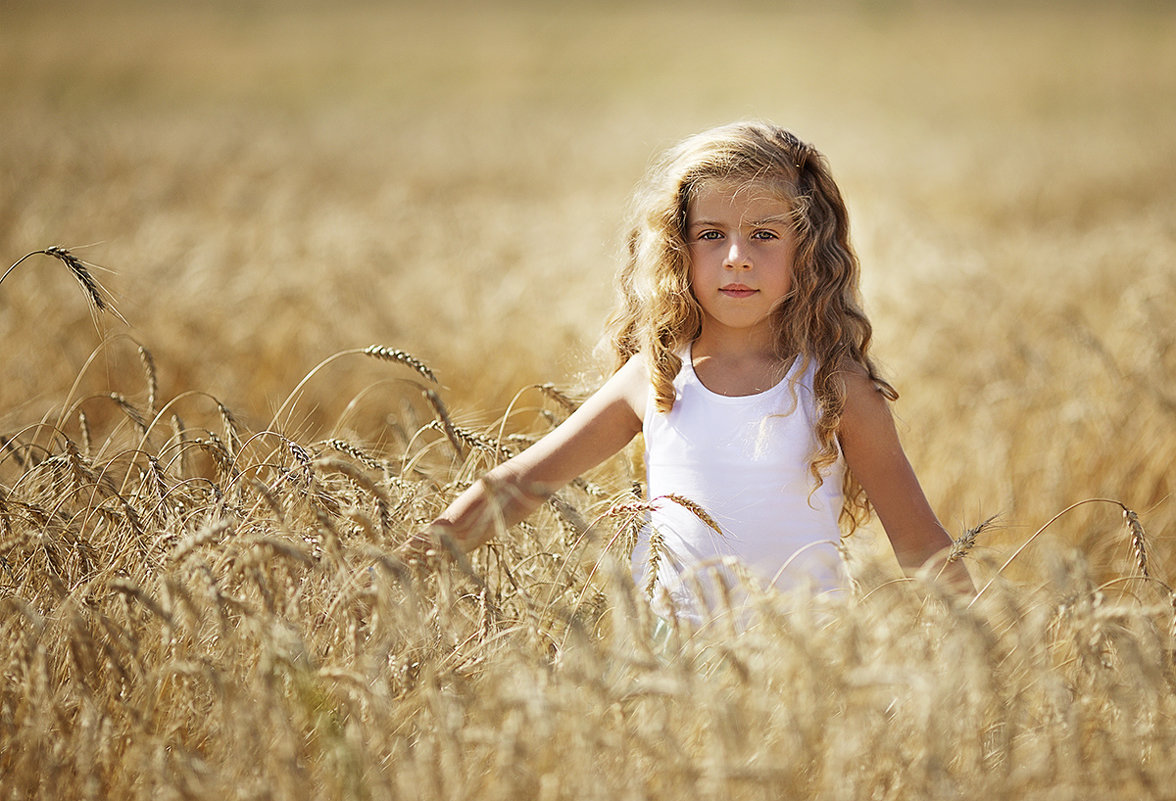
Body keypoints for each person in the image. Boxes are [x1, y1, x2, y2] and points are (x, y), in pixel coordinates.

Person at [411, 121, 969, 622]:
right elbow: (520, 486)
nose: (736, 257)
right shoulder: (654, 379)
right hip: (670, 670)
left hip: (804, 681)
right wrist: (401, 568)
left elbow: (920, 544)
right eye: (711, 235)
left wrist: (991, 664)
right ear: (679, 247)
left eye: (765, 235)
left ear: (808, 250)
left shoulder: (835, 387)